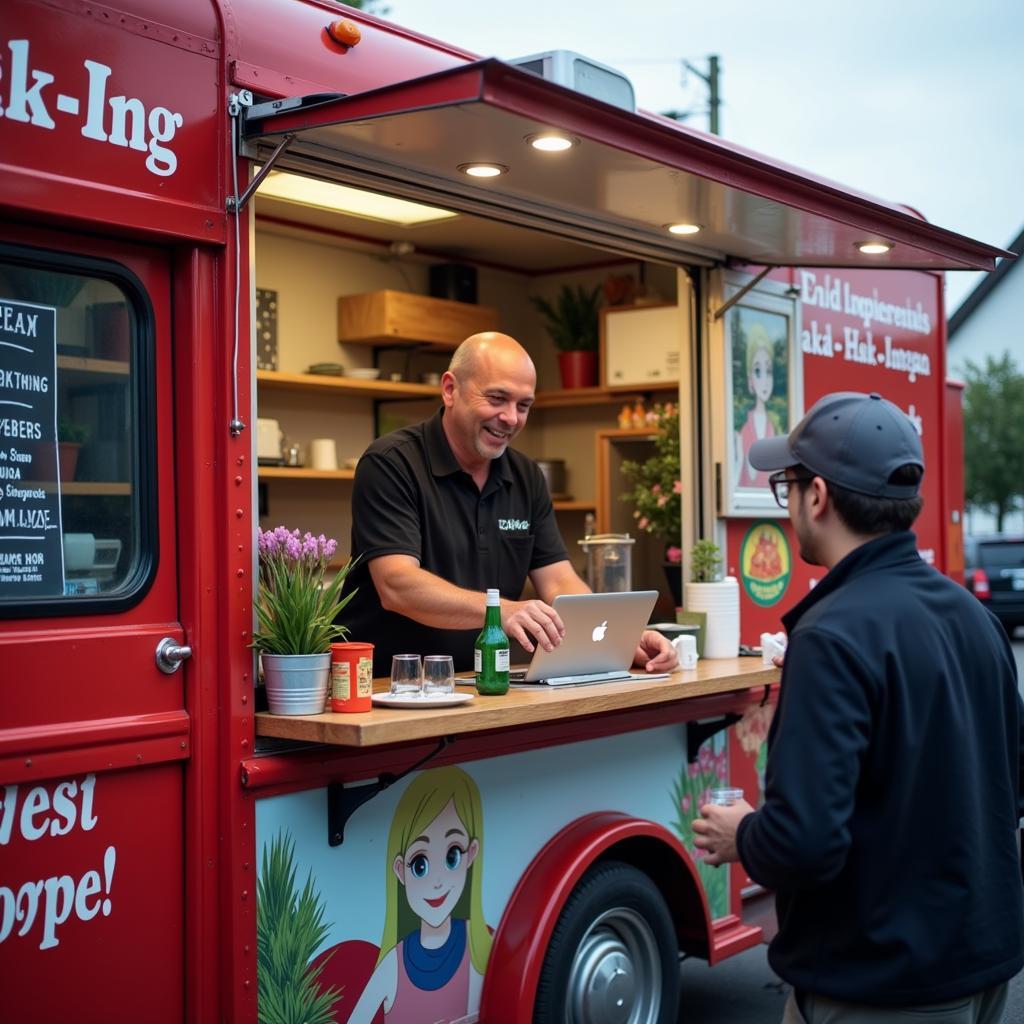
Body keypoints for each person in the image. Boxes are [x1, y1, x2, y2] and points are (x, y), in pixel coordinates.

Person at [693, 391, 1023, 1024]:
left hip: (878, 986)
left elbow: (805, 843)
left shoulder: (831, 636)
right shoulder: (974, 617)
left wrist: (744, 836)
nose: (787, 503)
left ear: (817, 496)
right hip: (981, 968)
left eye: (786, 484)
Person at [344, 331, 677, 677]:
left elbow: (559, 581)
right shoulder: (391, 463)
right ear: (449, 389)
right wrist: (500, 610)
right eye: (497, 398)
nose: (511, 418)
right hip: (390, 686)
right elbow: (397, 585)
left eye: (523, 405)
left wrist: (620, 639)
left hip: (484, 681)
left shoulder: (525, 476)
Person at [348, 766, 490, 1024]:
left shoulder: (478, 947)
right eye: (420, 864)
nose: (437, 882)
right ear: (400, 870)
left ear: (471, 853)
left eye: (451, 856)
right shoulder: (393, 965)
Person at [734, 322, 779, 489]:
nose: (765, 380)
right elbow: (742, 473)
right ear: (749, 380)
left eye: (768, 371)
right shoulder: (743, 431)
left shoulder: (773, 428)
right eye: (758, 371)